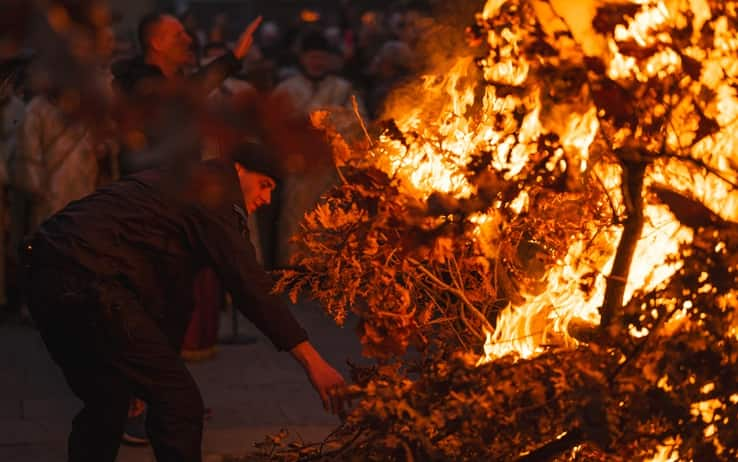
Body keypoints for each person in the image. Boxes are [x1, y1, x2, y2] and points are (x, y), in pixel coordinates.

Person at [22, 141, 346, 462]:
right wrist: (312, 361)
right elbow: (249, 284)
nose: (266, 198)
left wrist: (148, 372)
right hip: (86, 278)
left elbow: (174, 297)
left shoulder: (184, 186)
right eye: (264, 185)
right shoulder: (214, 192)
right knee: (179, 403)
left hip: (47, 274)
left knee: (108, 399)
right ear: (239, 169)